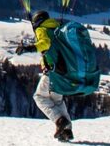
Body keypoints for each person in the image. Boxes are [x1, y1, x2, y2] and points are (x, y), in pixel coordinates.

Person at [15, 10, 74, 142]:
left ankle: (60, 121)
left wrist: (28, 48)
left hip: (52, 71)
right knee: (57, 101)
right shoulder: (58, 29)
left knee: (39, 97)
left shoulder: (42, 29)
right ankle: (67, 131)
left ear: (38, 21)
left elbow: (45, 43)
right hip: (65, 72)